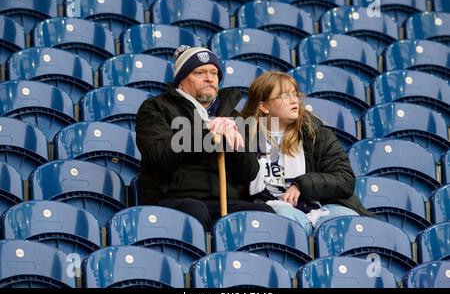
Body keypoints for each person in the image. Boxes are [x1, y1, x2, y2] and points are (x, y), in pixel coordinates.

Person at [135, 46, 275, 231]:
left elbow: (247, 174)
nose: (209, 78)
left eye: (214, 73)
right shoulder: (156, 107)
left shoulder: (232, 116)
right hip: (173, 198)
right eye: (199, 72)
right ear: (181, 81)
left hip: (223, 201)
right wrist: (205, 129)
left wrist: (238, 144)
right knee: (195, 211)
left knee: (264, 214)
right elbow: (158, 155)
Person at [241, 71, 372, 236]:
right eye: (284, 95)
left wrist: (301, 185)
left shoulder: (316, 134)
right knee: (287, 221)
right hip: (272, 208)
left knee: (348, 221)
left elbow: (345, 180)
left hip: (319, 206)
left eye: (295, 94)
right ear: (264, 106)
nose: (294, 99)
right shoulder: (245, 138)